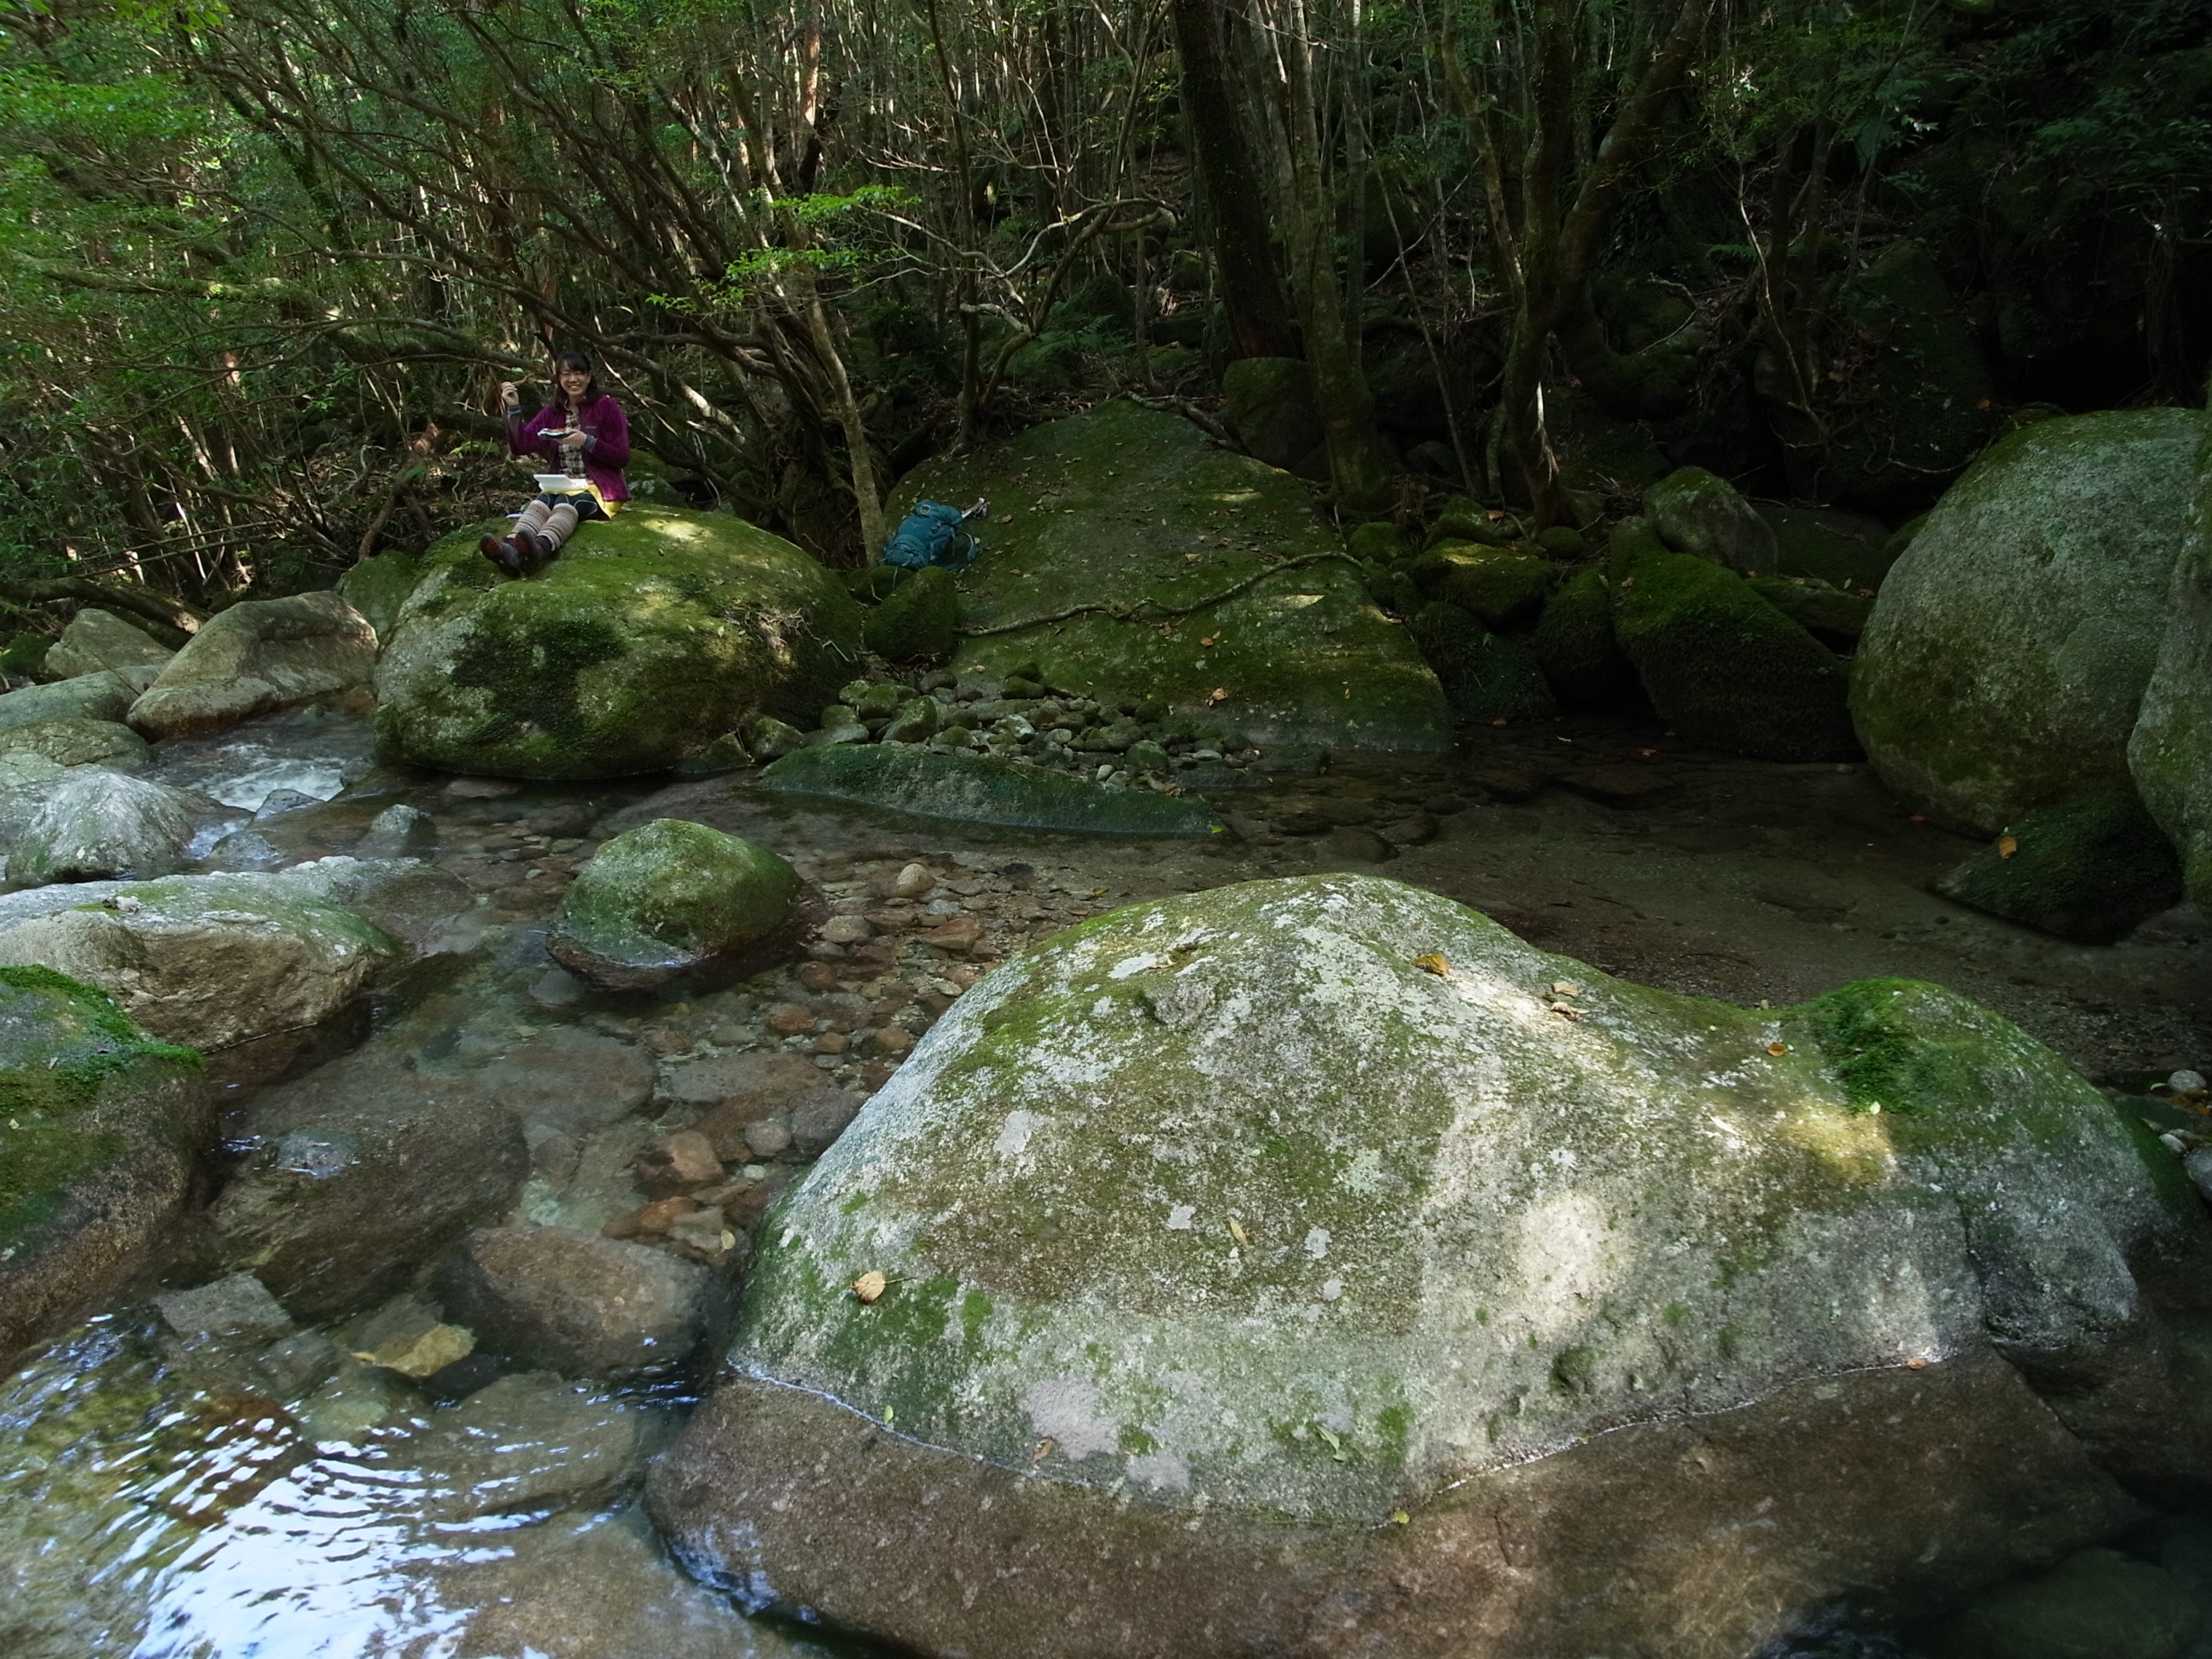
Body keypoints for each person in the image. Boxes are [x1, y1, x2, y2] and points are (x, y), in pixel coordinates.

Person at [481, 351, 632, 576]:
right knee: (541, 502)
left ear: (589, 377)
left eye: (579, 373)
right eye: (566, 374)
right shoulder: (553, 413)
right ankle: (510, 551)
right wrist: (513, 408)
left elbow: (622, 456)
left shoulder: (606, 407)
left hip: (600, 488)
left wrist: (588, 441)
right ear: (559, 379)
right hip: (563, 484)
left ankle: (540, 549)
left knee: (564, 503)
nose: (573, 379)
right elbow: (521, 445)